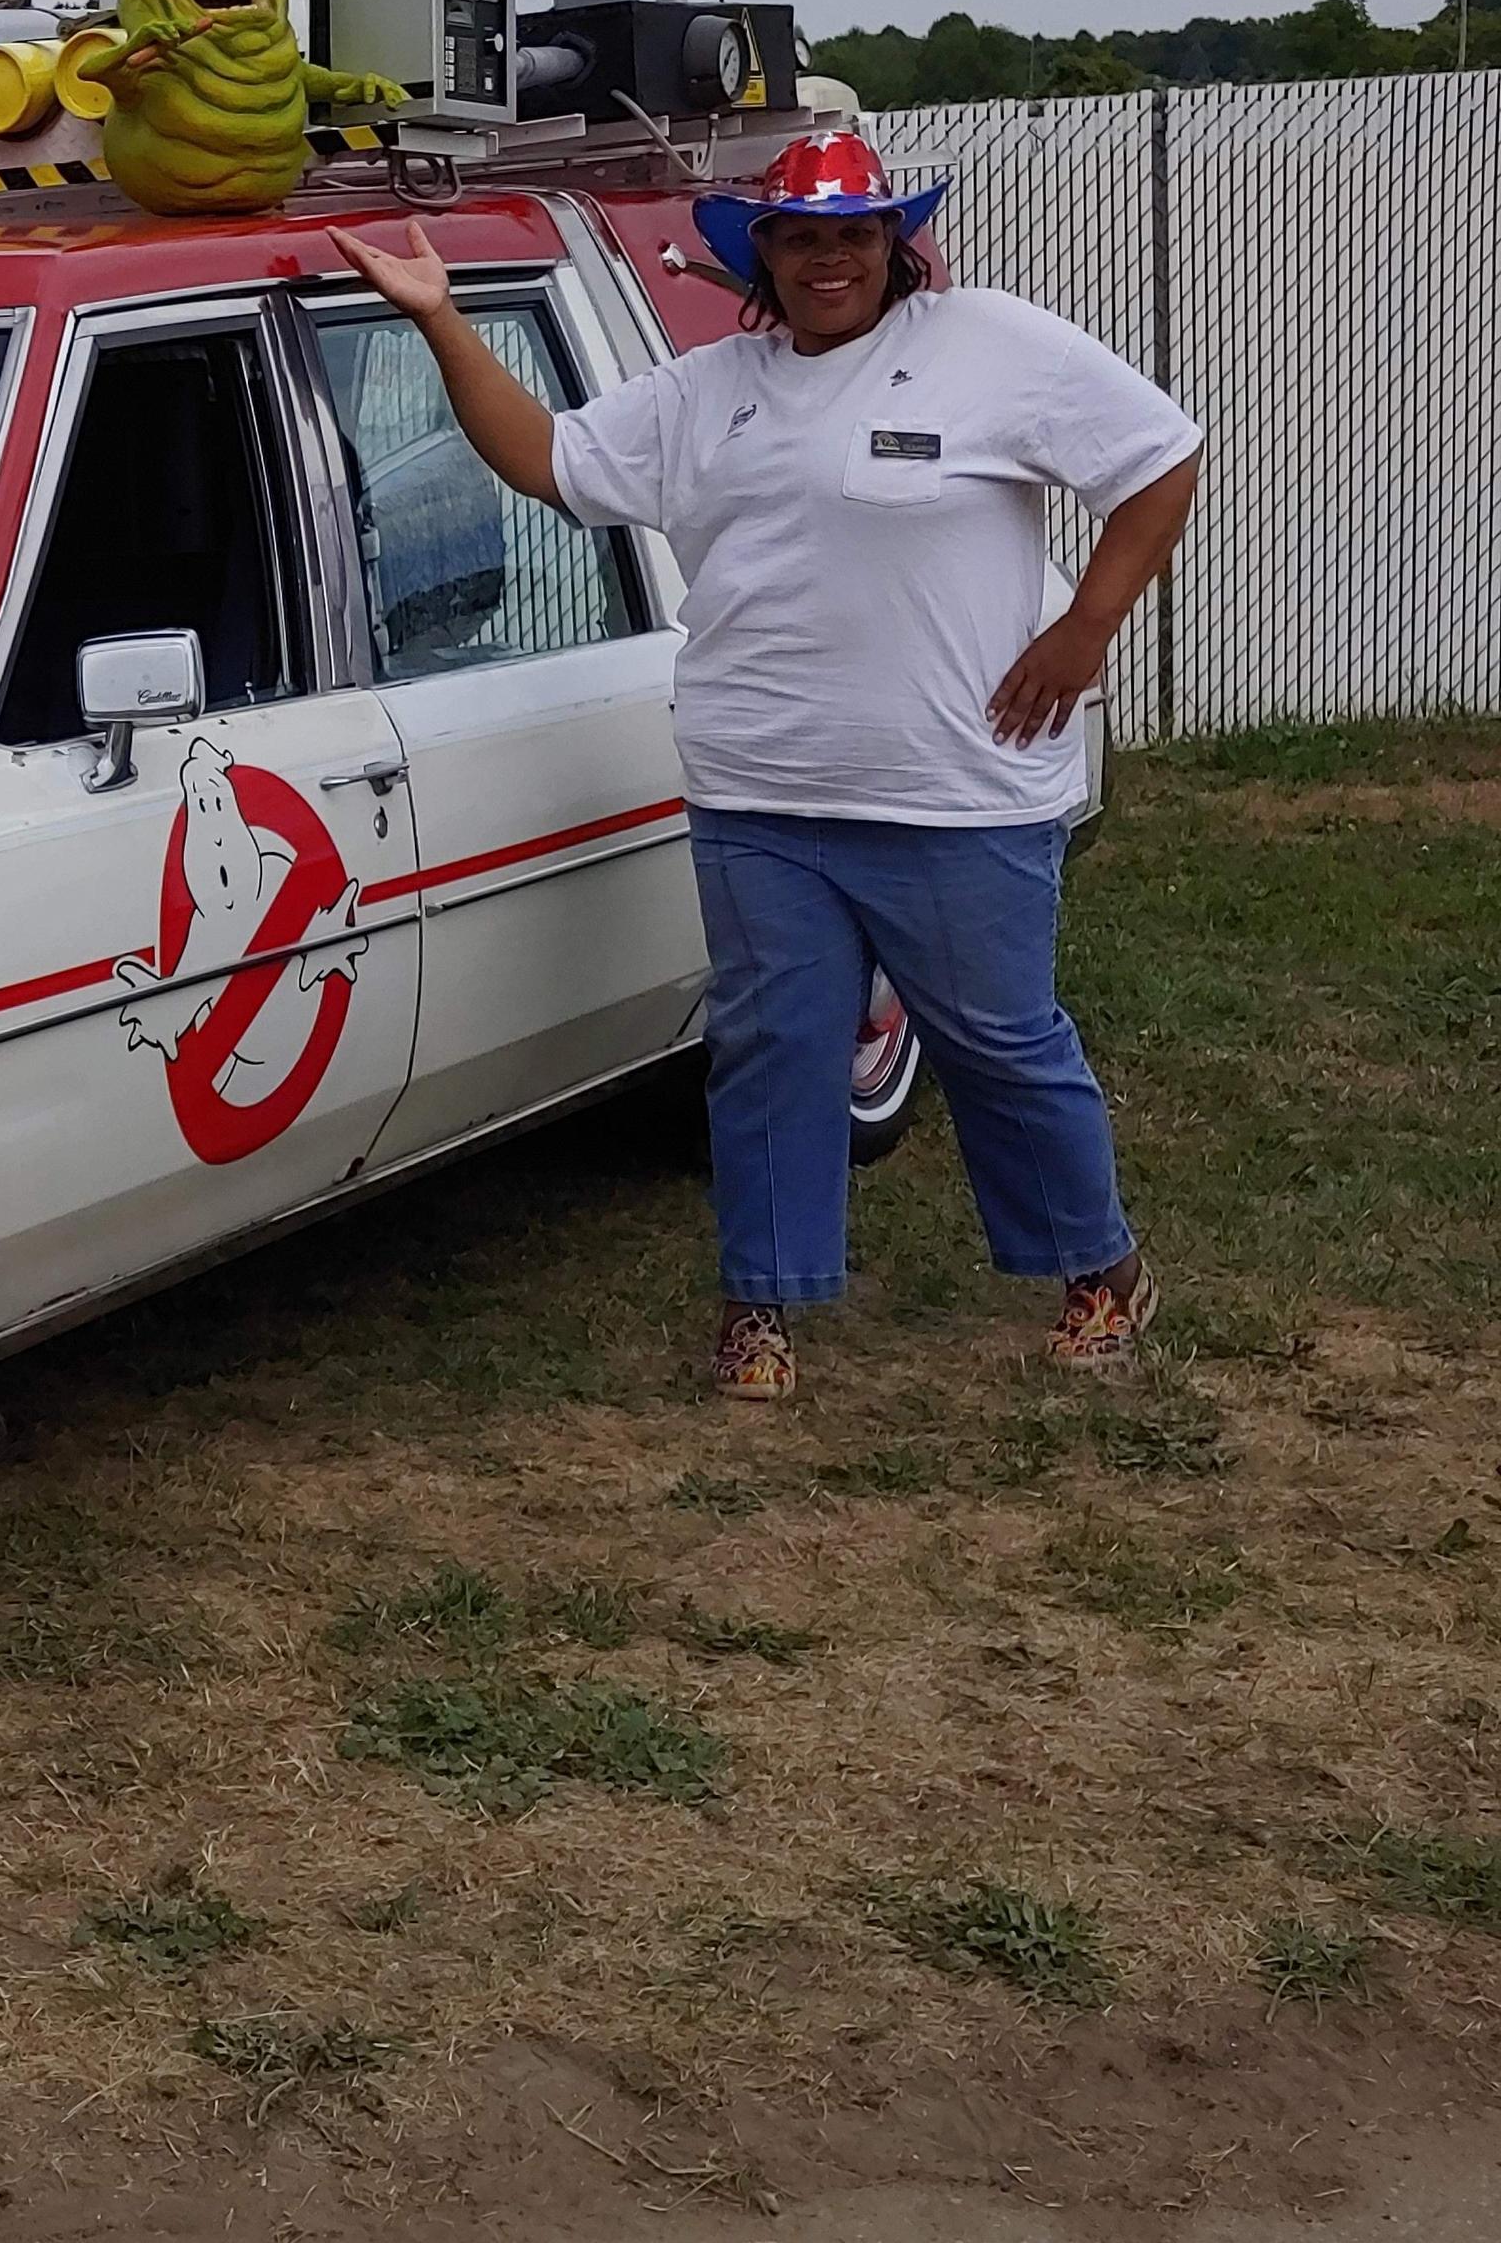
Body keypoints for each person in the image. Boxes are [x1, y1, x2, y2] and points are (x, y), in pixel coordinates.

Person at [330, 132, 1202, 1399]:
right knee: (771, 1048)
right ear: (765, 253)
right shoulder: (709, 389)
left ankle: (1099, 1274)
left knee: (1001, 1044)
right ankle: (762, 1311)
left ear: (893, 244)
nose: (829, 258)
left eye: (854, 234)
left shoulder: (990, 344)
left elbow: (1160, 457)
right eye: (802, 237)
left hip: (954, 789)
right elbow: (549, 461)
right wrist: (440, 321)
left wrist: (1084, 631)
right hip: (758, 790)